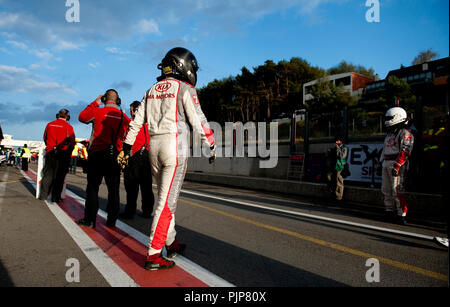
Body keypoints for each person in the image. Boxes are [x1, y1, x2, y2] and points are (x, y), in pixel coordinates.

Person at [118, 47, 216, 270]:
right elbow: (198, 119)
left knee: (165, 199)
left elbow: (135, 122)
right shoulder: (185, 88)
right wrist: (211, 145)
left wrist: (126, 147)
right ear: (183, 65)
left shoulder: (151, 89)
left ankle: (171, 243)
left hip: (154, 145)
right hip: (174, 146)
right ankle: (153, 254)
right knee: (166, 203)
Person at [77, 89, 130, 228]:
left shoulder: (97, 112)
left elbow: (82, 117)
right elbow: (130, 133)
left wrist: (95, 103)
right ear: (118, 101)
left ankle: (90, 220)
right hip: (114, 156)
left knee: (93, 188)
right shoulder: (124, 117)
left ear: (105, 99)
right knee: (114, 190)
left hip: (97, 154)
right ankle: (112, 221)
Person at [119, 101, 154, 220]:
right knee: (147, 186)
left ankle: (130, 212)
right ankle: (147, 211)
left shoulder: (132, 123)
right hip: (148, 156)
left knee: (132, 186)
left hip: (135, 156)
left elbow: (126, 138)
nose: (130, 112)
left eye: (132, 110)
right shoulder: (150, 123)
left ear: (135, 111)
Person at [380, 107, 414, 225]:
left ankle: (401, 214)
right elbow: (384, 149)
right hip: (386, 163)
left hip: (397, 164)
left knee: (397, 190)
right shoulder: (389, 134)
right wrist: (382, 162)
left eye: (389, 118)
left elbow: (405, 151)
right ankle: (389, 211)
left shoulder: (405, 133)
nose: (387, 121)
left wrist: (398, 165)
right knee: (386, 189)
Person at [39, 109, 76, 202]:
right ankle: (55, 197)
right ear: (67, 117)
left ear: (57, 115)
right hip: (63, 154)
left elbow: (45, 138)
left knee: (48, 174)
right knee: (60, 176)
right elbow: (72, 142)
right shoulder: (69, 127)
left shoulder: (50, 124)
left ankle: (43, 195)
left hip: (51, 152)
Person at [326, 136, 348, 201]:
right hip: (333, 166)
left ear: (340, 141)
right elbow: (332, 156)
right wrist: (330, 151)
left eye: (337, 141)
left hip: (340, 166)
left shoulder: (344, 148)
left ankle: (339, 196)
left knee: (339, 181)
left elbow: (342, 156)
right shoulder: (335, 148)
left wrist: (338, 149)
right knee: (328, 177)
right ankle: (332, 192)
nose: (336, 142)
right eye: (335, 141)